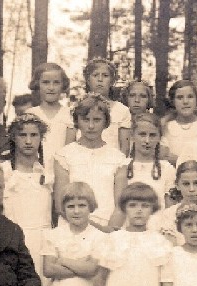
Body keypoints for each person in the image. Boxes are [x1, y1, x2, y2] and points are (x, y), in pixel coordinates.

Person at [54, 93, 128, 233]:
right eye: (85, 119)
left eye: (97, 119)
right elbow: (61, 204)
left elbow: (121, 206)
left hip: (108, 229)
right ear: (77, 122)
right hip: (72, 228)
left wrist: (108, 231)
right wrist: (90, 229)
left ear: (106, 122)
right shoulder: (64, 156)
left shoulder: (118, 158)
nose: (91, 125)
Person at [0, 114, 51, 283]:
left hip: (44, 244)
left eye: (34, 135)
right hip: (13, 242)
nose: (28, 141)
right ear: (14, 138)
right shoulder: (4, 172)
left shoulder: (47, 174)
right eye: (22, 135)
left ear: (41, 138)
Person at [118, 113, 176, 224]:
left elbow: (170, 208)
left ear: (160, 137)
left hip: (158, 228)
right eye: (142, 134)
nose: (147, 140)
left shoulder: (167, 169)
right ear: (132, 136)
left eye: (153, 135)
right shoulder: (122, 166)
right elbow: (119, 207)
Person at [149, 160, 197, 245]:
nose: (191, 189)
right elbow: (170, 247)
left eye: (196, 183)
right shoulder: (169, 215)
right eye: (186, 184)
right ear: (177, 185)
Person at [26, 63, 76, 177]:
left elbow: (70, 150)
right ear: (37, 84)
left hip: (64, 173)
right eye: (46, 82)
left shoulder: (70, 115)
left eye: (56, 82)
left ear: (63, 85)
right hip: (35, 174)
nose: (51, 87)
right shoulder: (31, 114)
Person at [82, 57, 131, 153]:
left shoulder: (122, 110)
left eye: (105, 75)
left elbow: (124, 149)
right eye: (95, 75)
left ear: (112, 81)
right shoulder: (77, 108)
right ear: (88, 80)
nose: (100, 79)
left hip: (111, 163)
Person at [160, 80, 197, 165]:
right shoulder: (167, 126)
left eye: (190, 96)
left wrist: (177, 159)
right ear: (173, 101)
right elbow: (164, 156)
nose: (185, 102)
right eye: (180, 97)